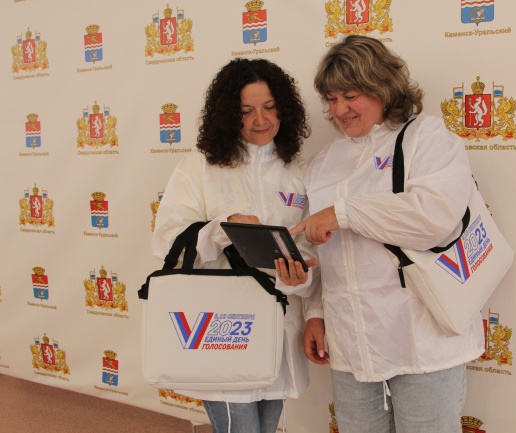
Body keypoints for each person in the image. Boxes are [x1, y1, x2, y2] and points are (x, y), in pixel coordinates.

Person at [290, 35, 485, 433]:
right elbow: (321, 252)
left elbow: (435, 217)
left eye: (351, 96)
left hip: (422, 341)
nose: (339, 109)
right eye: (332, 99)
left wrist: (343, 212)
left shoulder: (426, 138)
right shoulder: (323, 163)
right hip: (352, 347)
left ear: (382, 88)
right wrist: (316, 313)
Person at [152, 58, 321, 433]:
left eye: (269, 107)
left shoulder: (299, 170)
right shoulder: (199, 167)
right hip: (221, 327)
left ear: (284, 108)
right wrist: (223, 228)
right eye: (246, 111)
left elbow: (313, 251)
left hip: (279, 326)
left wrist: (302, 280)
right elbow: (167, 243)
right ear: (229, 114)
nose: (260, 120)